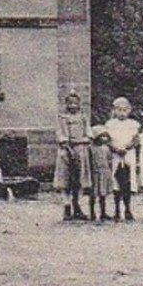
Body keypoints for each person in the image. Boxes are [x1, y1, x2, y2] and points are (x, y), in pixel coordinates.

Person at [53, 91, 93, 221]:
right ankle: (66, 206)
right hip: (66, 150)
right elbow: (60, 135)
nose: (73, 106)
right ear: (66, 104)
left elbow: (89, 134)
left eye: (76, 103)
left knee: (78, 179)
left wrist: (84, 139)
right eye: (70, 103)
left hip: (80, 150)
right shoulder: (62, 118)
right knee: (65, 180)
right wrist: (65, 142)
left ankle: (77, 205)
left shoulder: (83, 118)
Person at [105, 97, 142, 222]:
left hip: (128, 154)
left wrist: (127, 147)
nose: (122, 113)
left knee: (128, 181)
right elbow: (107, 140)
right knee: (116, 181)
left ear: (129, 110)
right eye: (119, 110)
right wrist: (115, 149)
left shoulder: (132, 124)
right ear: (114, 111)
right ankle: (116, 209)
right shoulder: (110, 124)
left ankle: (127, 208)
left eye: (124, 110)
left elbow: (136, 139)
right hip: (115, 155)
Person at [87, 124, 114, 222]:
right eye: (102, 136)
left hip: (104, 173)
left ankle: (103, 212)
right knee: (93, 194)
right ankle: (92, 213)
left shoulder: (106, 148)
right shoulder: (90, 148)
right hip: (95, 173)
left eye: (105, 136)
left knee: (103, 194)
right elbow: (89, 162)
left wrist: (109, 172)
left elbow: (109, 160)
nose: (104, 138)